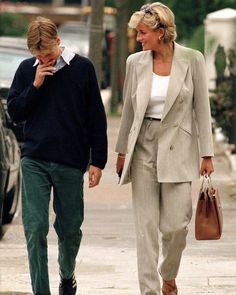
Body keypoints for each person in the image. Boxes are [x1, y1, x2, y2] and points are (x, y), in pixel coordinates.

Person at [115, 3, 214, 295]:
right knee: (145, 230)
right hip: (143, 146)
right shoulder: (135, 62)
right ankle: (149, 291)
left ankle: (168, 274)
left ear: (161, 32)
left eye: (143, 33)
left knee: (176, 227)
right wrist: (122, 152)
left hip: (179, 148)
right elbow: (129, 111)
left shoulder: (192, 59)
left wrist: (207, 154)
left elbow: (202, 109)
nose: (139, 38)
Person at [7, 17, 107, 295]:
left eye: (48, 54)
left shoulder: (82, 68)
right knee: (35, 228)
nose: (44, 59)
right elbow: (15, 112)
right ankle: (41, 291)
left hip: (70, 161)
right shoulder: (27, 70)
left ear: (58, 42)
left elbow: (96, 118)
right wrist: (36, 85)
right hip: (34, 159)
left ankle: (67, 276)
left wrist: (97, 161)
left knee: (70, 229)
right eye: (38, 56)